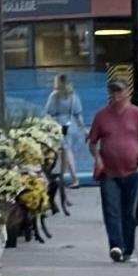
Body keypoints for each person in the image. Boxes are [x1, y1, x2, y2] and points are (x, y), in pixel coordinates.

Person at [88, 77, 138, 263]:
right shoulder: (102, 116)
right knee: (112, 210)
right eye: (113, 91)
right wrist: (98, 158)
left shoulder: (137, 114)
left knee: (128, 212)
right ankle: (116, 246)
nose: (116, 95)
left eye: (119, 91)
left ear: (127, 92)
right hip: (109, 172)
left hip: (132, 171)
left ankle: (128, 249)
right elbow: (92, 142)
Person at [44, 74, 84, 215]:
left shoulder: (54, 96)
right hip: (71, 125)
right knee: (67, 151)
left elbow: (49, 112)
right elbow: (78, 114)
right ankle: (66, 180)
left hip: (59, 125)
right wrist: (83, 128)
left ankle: (73, 177)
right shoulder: (73, 96)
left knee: (64, 151)